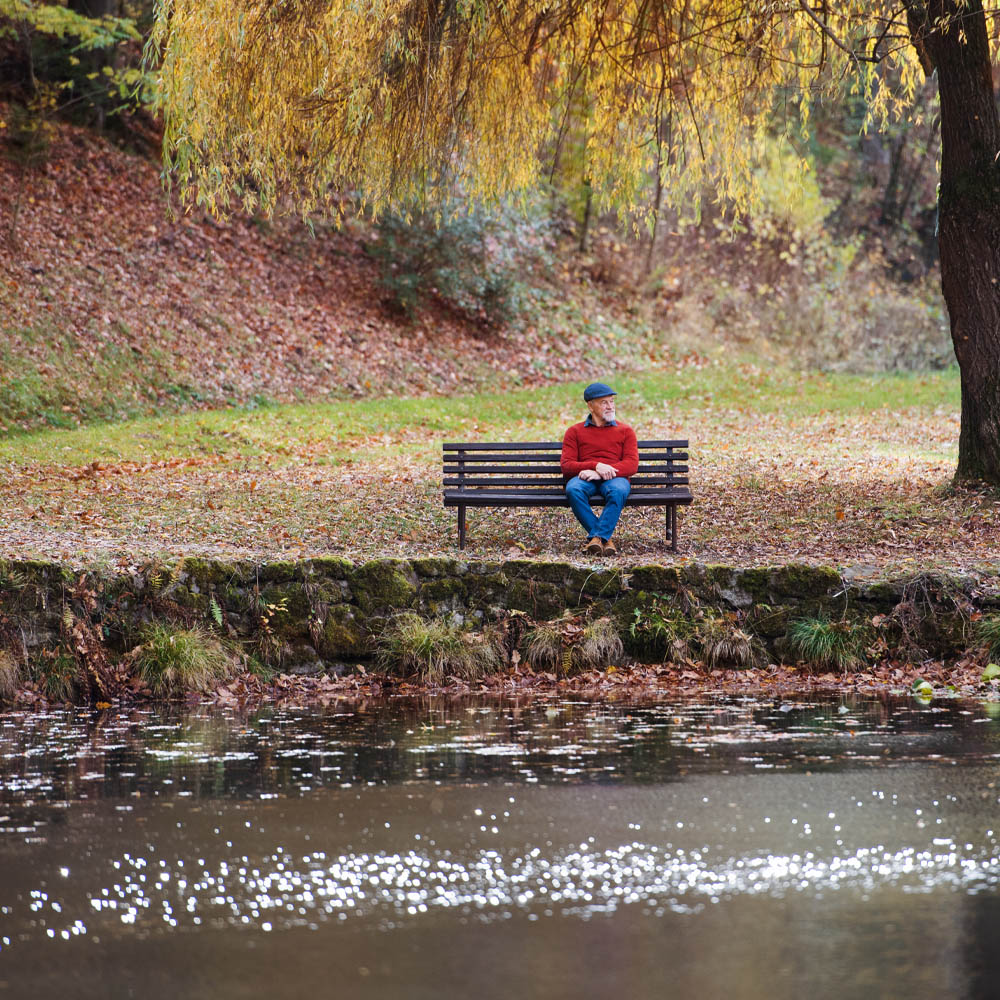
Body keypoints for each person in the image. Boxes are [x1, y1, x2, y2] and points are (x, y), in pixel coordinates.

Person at [560, 382, 638, 556]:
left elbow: (631, 464)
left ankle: (597, 537)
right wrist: (594, 466)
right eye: (604, 402)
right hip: (586, 478)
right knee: (573, 489)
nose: (610, 406)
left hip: (615, 478)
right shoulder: (574, 432)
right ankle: (605, 539)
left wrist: (601, 471)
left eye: (611, 401)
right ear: (590, 405)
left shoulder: (626, 431)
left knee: (618, 490)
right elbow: (566, 465)